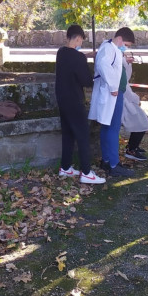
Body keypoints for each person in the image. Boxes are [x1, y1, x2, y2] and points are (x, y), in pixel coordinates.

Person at [55, 25, 105, 184]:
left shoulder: (61, 52)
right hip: (75, 100)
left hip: (62, 99)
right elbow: (86, 81)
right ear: (77, 38)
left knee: (68, 134)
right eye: (81, 40)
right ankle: (87, 172)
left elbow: (72, 60)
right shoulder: (78, 58)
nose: (81, 43)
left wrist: (85, 56)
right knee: (83, 135)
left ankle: (65, 167)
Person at [89, 27, 136, 177]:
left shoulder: (112, 47)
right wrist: (113, 86)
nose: (126, 47)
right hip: (113, 93)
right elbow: (103, 65)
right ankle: (114, 164)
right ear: (120, 39)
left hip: (113, 92)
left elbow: (112, 64)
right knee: (113, 128)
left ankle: (107, 160)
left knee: (108, 127)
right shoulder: (109, 48)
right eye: (127, 44)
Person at [121, 50, 148, 162]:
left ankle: (132, 146)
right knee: (143, 122)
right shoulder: (117, 62)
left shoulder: (121, 62)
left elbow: (127, 78)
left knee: (143, 120)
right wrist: (136, 99)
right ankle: (131, 149)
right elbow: (125, 87)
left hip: (127, 101)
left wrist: (128, 64)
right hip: (125, 102)